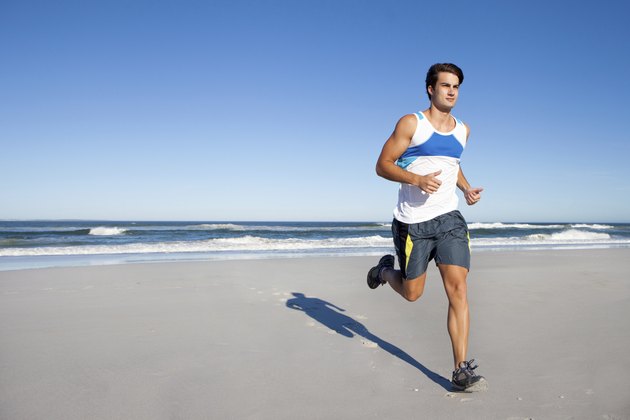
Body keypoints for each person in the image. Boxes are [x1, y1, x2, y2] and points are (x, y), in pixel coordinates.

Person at [367, 63, 487, 392]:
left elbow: (453, 164)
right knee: (412, 293)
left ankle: (460, 369)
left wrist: (465, 188)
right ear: (430, 89)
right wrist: (416, 178)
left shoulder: (463, 129)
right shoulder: (411, 123)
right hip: (412, 223)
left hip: (449, 219)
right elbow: (382, 165)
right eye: (445, 85)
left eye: (456, 86)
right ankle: (383, 272)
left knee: (459, 290)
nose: (451, 91)